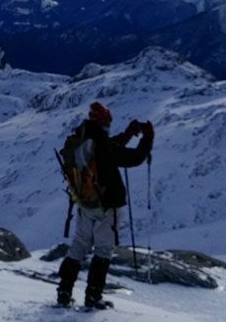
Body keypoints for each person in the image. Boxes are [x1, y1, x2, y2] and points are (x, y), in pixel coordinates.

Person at [56, 101, 154, 309]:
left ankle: (64, 293)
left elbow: (111, 147)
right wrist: (148, 139)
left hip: (85, 202)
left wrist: (127, 134)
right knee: (103, 250)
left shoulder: (83, 138)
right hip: (106, 205)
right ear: (104, 122)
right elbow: (133, 158)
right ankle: (93, 297)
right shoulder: (101, 144)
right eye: (108, 122)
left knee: (79, 245)